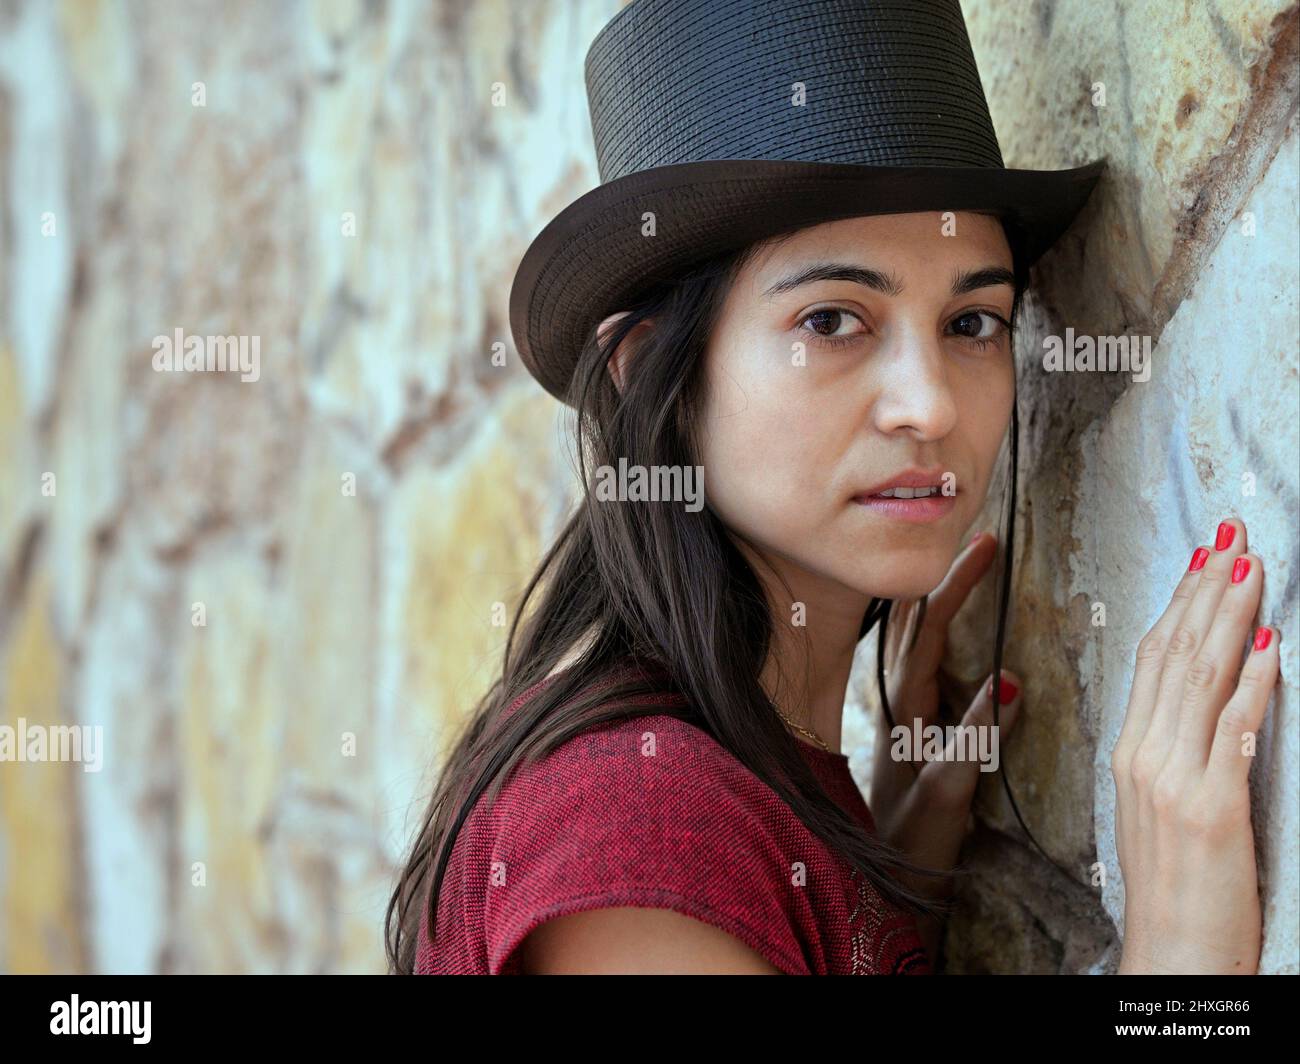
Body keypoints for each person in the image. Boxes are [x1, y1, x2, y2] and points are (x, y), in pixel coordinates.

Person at [386, 0, 1280, 975]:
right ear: (652, 373)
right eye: (831, 320)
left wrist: (888, 877)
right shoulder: (636, 819)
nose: (928, 405)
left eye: (972, 321)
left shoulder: (759, 777)